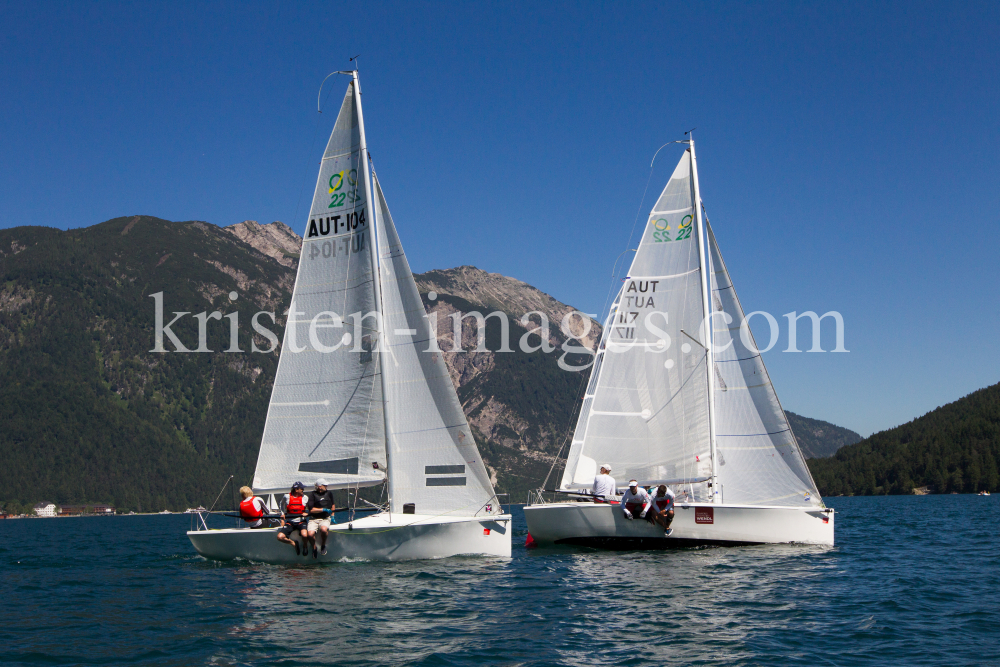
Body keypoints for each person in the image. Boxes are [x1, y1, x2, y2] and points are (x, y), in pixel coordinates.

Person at [276, 481, 310, 556]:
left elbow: (310, 508)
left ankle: (305, 546)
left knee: (304, 535)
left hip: (301, 521)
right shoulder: (286, 496)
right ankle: (293, 543)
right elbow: (281, 504)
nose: (303, 490)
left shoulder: (305, 498)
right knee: (280, 537)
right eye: (302, 489)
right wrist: (282, 513)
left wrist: (307, 513)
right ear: (296, 489)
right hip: (290, 522)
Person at [306, 478, 336, 558]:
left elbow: (333, 504)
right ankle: (314, 548)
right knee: (310, 534)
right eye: (324, 485)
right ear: (319, 486)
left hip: (325, 518)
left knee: (323, 529)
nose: (326, 486)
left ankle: (323, 545)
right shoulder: (312, 494)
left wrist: (332, 515)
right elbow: (311, 510)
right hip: (314, 519)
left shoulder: (329, 493)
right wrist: (322, 509)